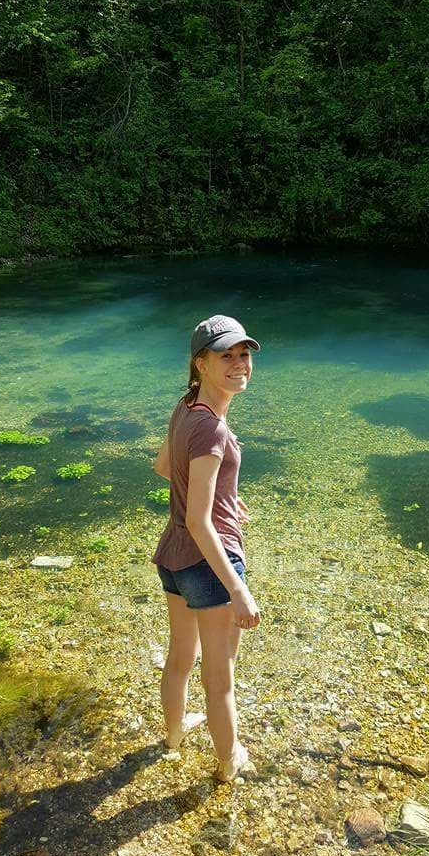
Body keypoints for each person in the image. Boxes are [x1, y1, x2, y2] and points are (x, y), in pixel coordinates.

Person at [151, 315, 262, 782]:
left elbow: (162, 467)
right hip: (208, 565)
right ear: (201, 363)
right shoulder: (213, 430)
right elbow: (200, 521)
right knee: (221, 680)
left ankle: (173, 739)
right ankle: (227, 764)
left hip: (172, 559)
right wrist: (237, 589)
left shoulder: (185, 408)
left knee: (181, 659)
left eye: (244, 354)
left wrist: (223, 499)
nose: (239, 364)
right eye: (226, 356)